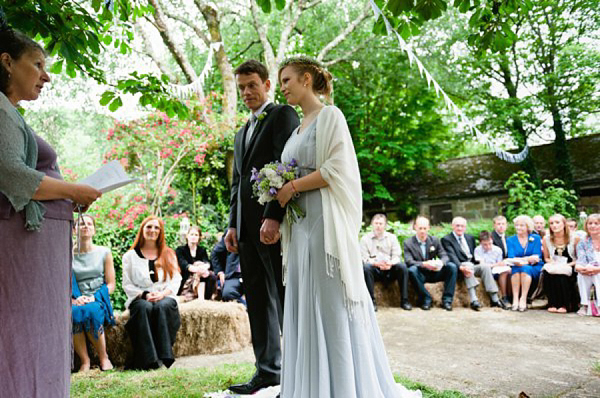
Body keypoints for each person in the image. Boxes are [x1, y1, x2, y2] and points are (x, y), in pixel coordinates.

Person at [275, 55, 420, 398]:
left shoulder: (331, 117)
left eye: (286, 80)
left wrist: (291, 187)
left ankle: (342, 387)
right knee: (302, 300)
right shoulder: (295, 130)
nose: (283, 88)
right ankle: (306, 387)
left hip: (325, 224)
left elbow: (336, 170)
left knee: (330, 301)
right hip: (299, 227)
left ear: (306, 79)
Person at [0, 23, 102, 397]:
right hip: (15, 254)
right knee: (16, 338)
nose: (47, 75)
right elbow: (12, 175)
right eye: (38, 64)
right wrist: (73, 189)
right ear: (7, 62)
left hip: (29, 257)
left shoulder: (12, 114)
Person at [224, 59, 300, 394]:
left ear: (267, 85)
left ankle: (298, 372)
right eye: (241, 87)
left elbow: (287, 165)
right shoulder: (241, 133)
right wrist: (231, 226)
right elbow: (237, 184)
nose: (247, 92)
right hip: (245, 232)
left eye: (252, 85)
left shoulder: (282, 115)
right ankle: (268, 370)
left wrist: (273, 215)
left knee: (284, 299)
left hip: (273, 226)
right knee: (256, 300)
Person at [122, 216, 182, 370]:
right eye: (149, 227)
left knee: (163, 306)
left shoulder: (168, 253)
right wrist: (145, 294)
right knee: (144, 308)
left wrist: (163, 294)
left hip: (165, 295)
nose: (152, 231)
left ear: (160, 232)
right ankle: (148, 360)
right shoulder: (130, 256)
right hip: (140, 297)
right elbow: (127, 284)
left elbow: (176, 279)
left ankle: (165, 356)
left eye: (156, 228)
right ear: (142, 229)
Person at [72, 215, 116, 372]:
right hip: (76, 298)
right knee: (74, 312)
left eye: (89, 224)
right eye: (81, 224)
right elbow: (63, 283)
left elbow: (111, 285)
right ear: (73, 229)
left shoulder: (104, 252)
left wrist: (94, 297)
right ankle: (85, 361)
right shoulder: (66, 254)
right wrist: (73, 299)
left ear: (94, 230)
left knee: (92, 310)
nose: (85, 226)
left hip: (97, 297)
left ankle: (104, 357)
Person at [442, 217, 502, 311]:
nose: (460, 228)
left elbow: (474, 256)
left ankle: (495, 298)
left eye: (462, 226)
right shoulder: (447, 239)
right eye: (457, 226)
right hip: (459, 267)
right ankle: (474, 299)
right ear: (453, 226)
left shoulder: (470, 238)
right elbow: (452, 256)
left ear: (465, 227)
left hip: (472, 265)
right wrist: (461, 267)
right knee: (468, 265)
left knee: (485, 267)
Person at [405, 216, 457, 311]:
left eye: (425, 228)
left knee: (452, 267)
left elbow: (445, 256)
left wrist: (440, 262)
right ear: (415, 227)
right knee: (412, 270)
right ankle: (426, 298)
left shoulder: (435, 240)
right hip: (421, 274)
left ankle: (447, 300)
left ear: (428, 228)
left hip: (435, 271)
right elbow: (408, 261)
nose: (422, 231)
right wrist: (424, 264)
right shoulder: (408, 243)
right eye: (420, 228)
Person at [361, 213, 411, 311]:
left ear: (385, 225)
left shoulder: (392, 238)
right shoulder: (365, 239)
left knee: (403, 267)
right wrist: (376, 263)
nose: (378, 226)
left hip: (390, 269)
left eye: (381, 223)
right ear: (372, 224)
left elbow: (397, 256)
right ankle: (371, 302)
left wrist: (390, 263)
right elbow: (364, 258)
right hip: (375, 269)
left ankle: (405, 300)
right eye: (376, 223)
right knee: (366, 268)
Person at [541, 214, 579, 313]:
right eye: (551, 223)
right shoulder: (546, 239)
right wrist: (553, 263)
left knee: (562, 275)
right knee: (547, 273)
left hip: (571, 265)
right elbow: (546, 258)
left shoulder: (575, 238)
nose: (554, 225)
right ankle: (552, 303)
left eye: (557, 222)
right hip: (555, 264)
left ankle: (565, 304)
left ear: (564, 224)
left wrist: (567, 265)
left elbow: (579, 258)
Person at [506, 215, 544, 312]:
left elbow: (537, 256)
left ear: (528, 227)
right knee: (516, 269)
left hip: (533, 266)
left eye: (521, 225)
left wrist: (522, 260)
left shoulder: (535, 238)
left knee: (525, 269)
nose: (518, 227)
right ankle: (515, 299)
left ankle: (523, 298)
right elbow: (511, 257)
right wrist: (527, 259)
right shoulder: (510, 240)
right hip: (517, 265)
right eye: (517, 225)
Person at [176, 225, 218, 301]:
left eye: (196, 235)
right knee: (200, 272)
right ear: (187, 236)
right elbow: (183, 264)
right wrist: (197, 269)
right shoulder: (180, 250)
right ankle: (199, 298)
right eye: (191, 234)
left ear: (199, 237)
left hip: (202, 275)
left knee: (210, 275)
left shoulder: (202, 250)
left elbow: (207, 262)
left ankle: (205, 298)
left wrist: (204, 267)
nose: (193, 237)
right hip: (187, 277)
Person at [473, 231, 509, 309]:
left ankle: (505, 296)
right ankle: (495, 298)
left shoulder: (498, 250)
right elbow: (483, 265)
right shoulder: (478, 250)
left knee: (507, 271)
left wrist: (497, 265)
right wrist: (495, 265)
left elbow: (500, 264)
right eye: (485, 245)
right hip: (485, 271)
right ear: (480, 243)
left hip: (496, 270)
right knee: (486, 269)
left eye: (490, 243)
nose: (488, 246)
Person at [574, 214, 600, 316]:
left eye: (596, 223)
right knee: (582, 275)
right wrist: (582, 268)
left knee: (597, 275)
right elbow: (580, 261)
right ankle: (584, 305)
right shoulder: (583, 242)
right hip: (589, 268)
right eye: (590, 223)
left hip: (598, 270)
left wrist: (597, 269)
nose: (592, 226)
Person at [211, 232, 245, 306]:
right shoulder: (231, 230)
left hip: (255, 275)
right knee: (227, 293)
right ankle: (245, 309)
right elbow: (215, 253)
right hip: (234, 275)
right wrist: (220, 272)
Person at [491, 215, 511, 303]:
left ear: (506, 225)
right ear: (494, 225)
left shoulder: (508, 238)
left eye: (503, 224)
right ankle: (504, 296)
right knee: (504, 272)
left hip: (508, 263)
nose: (501, 226)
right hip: (496, 264)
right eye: (498, 224)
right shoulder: (491, 237)